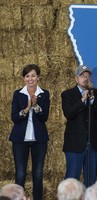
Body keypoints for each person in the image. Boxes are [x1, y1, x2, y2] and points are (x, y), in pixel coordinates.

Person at [61, 65, 97, 187]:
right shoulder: (67, 94)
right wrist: (82, 100)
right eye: (82, 75)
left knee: (91, 179)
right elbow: (69, 113)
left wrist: (92, 99)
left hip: (93, 142)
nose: (85, 78)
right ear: (76, 78)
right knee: (72, 179)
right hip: (75, 143)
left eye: (88, 76)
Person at [10, 64, 50, 200]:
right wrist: (27, 109)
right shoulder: (18, 94)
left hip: (39, 140)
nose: (30, 79)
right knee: (20, 175)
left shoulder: (44, 94)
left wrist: (36, 106)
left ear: (38, 78)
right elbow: (14, 117)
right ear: (24, 78)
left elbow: (44, 117)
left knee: (38, 175)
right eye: (27, 76)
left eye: (33, 75)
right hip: (20, 140)